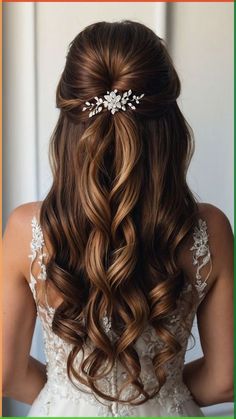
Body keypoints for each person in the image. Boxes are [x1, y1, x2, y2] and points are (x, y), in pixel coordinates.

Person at [3, 20, 233, 417]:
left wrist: (73, 394)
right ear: (170, 127)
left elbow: (5, 372)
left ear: (69, 126)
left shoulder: (27, 229)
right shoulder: (208, 230)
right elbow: (224, 378)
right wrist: (162, 394)